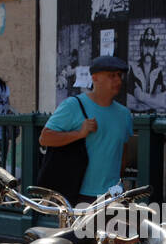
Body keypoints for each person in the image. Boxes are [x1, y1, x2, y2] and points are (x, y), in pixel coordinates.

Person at [40, 54, 132, 204]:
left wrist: (117, 188)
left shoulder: (124, 114)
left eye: (119, 76)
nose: (118, 80)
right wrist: (79, 134)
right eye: (111, 75)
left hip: (114, 194)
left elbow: (122, 155)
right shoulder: (72, 105)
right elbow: (45, 138)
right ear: (95, 78)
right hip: (78, 195)